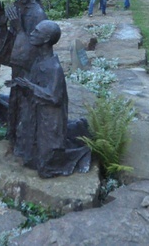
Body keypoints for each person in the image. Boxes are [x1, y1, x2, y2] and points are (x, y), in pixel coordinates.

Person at [7, 20, 92, 177]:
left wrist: (30, 86)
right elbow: (32, 84)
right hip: (37, 114)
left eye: (37, 32)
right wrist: (21, 84)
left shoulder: (54, 67)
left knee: (46, 168)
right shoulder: (38, 61)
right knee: (30, 158)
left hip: (50, 117)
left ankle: (81, 153)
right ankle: (72, 136)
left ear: (46, 39)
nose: (32, 33)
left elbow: (54, 97)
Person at [0, 0, 49, 147]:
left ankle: (29, 143)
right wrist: (4, 26)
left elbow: (35, 53)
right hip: (18, 72)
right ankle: (15, 137)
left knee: (28, 107)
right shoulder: (17, 9)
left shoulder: (37, 13)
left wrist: (18, 29)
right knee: (16, 101)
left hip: (32, 75)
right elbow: (10, 50)